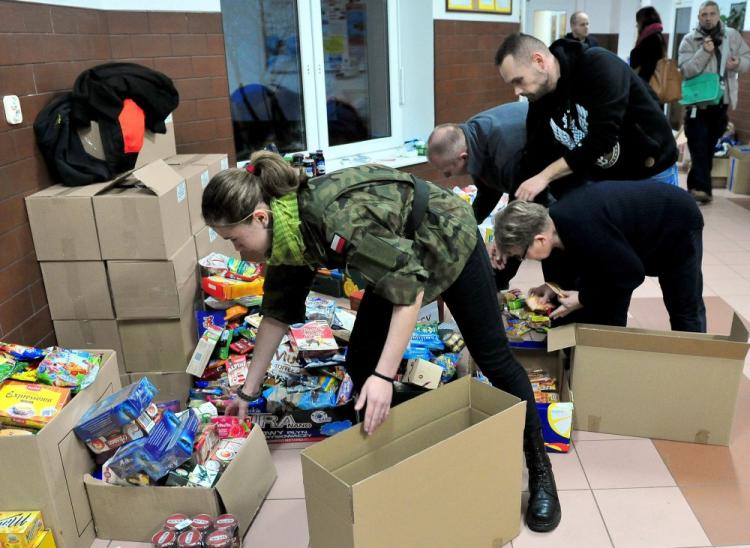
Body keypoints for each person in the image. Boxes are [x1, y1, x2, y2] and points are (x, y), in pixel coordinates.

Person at [202, 151, 562, 532]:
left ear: (261, 217)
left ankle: (541, 471)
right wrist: (246, 392)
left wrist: (385, 378)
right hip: (397, 251)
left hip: (448, 239)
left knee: (494, 360)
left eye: (235, 240)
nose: (237, 251)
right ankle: (412, 441)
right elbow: (276, 314)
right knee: (360, 361)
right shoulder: (287, 231)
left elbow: (408, 295)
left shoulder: (334, 218)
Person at [493, 180, 706, 332]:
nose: (525, 259)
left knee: (683, 306)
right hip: (633, 235)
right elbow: (587, 272)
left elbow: (631, 274)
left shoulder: (585, 227)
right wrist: (554, 287)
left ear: (540, 239)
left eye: (522, 254)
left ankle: (697, 369)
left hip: (676, 221)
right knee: (602, 295)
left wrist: (583, 297)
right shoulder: (554, 226)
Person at [495, 32, 678, 202]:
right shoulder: (540, 96)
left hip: (651, 169)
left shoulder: (599, 65)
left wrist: (545, 176)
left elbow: (602, 139)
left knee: (654, 234)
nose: (517, 91)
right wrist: (514, 213)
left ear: (539, 61)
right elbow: (535, 154)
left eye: (518, 80)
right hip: (608, 179)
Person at [427, 102, 536, 289]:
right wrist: (462, 224)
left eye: (447, 171)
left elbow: (522, 201)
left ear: (462, 157)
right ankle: (494, 293)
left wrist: (501, 239)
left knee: (521, 244)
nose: (447, 176)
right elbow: (489, 191)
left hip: (562, 181)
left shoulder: (502, 146)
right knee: (500, 256)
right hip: (523, 187)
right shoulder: (470, 139)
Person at [678, 1, 750, 204]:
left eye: (712, 14)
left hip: (722, 102)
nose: (708, 18)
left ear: (718, 15)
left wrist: (737, 64)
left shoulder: (732, 36)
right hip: (697, 105)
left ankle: (699, 188)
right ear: (698, 17)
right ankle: (700, 189)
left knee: (707, 149)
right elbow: (686, 70)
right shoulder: (689, 40)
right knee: (698, 146)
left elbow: (747, 58)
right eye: (704, 14)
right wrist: (704, 52)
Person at [630, 6, 667, 85]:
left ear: (643, 22)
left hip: (646, 87)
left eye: (638, 22)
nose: (637, 26)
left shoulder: (650, 40)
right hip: (652, 86)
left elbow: (646, 68)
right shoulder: (658, 36)